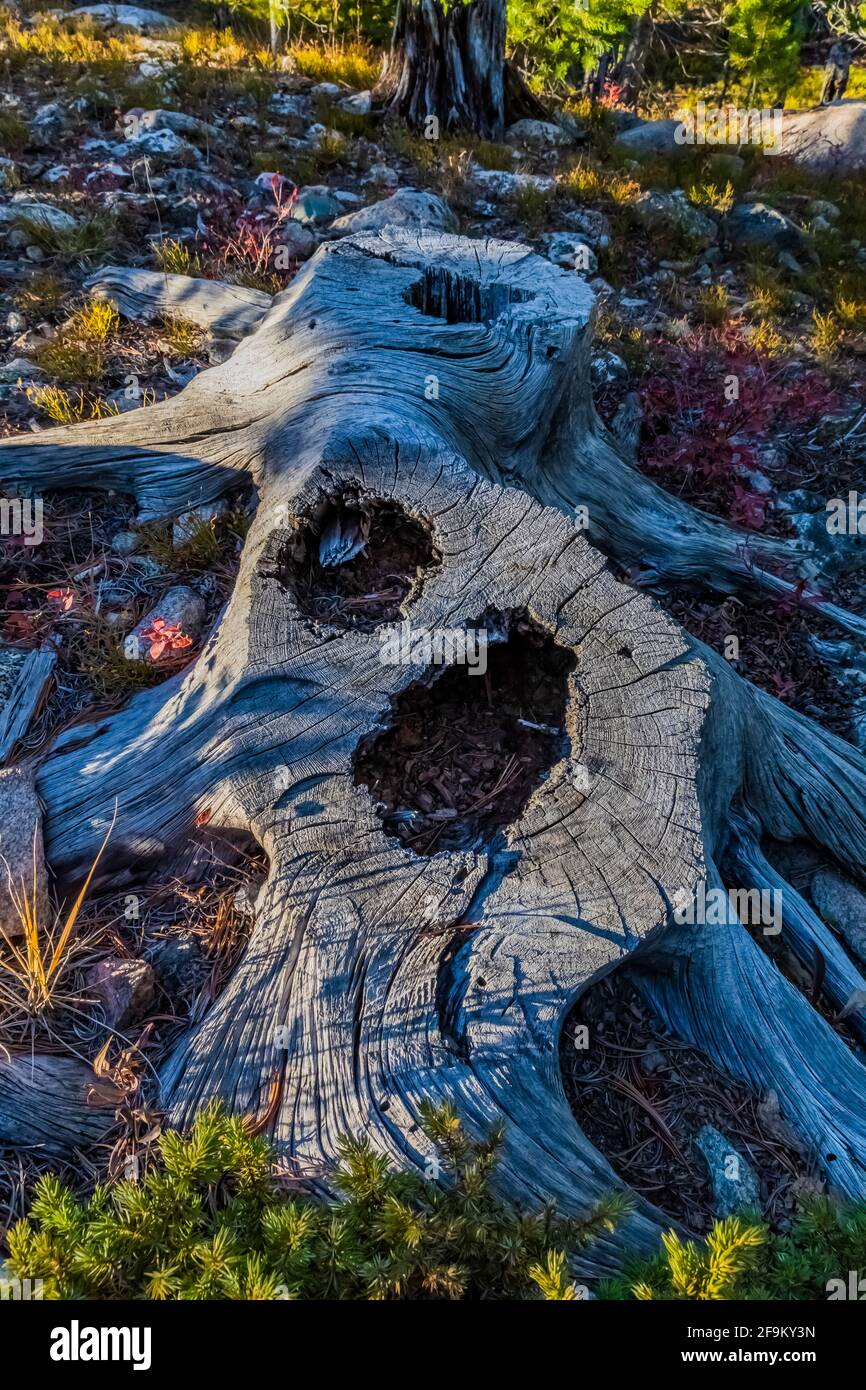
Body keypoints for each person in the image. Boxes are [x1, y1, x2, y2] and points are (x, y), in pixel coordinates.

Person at [821, 38, 853, 104]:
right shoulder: (835, 47)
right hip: (832, 68)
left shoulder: (847, 48)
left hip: (841, 68)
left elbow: (848, 58)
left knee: (841, 84)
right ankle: (822, 100)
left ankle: (836, 99)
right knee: (827, 84)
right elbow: (832, 57)